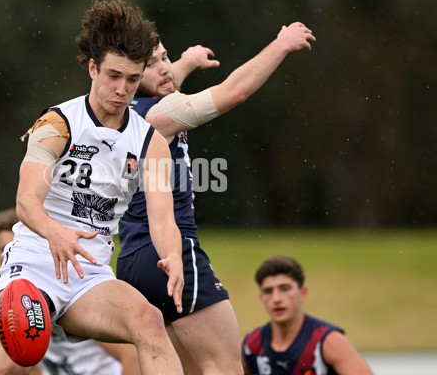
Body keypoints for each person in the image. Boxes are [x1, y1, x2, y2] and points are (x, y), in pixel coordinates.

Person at [0, 0, 184, 375]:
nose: (122, 89)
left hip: (89, 272)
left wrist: (174, 255)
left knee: (149, 323)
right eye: (113, 76)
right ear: (92, 68)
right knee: (12, 366)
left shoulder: (150, 141)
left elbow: (163, 220)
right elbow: (26, 201)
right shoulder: (56, 123)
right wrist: (57, 234)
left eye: (133, 80)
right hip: (35, 261)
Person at [116, 23, 317, 374]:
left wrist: (186, 62)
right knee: (225, 368)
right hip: (171, 253)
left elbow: (158, 81)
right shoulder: (158, 115)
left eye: (164, 56)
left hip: (132, 263)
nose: (164, 68)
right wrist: (281, 44)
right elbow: (234, 91)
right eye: (152, 63)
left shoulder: (117, 112)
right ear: (131, 74)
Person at [0, 208, 139, 375]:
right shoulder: (11, 303)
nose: (8, 254)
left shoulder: (69, 293)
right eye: (2, 248)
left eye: (13, 246)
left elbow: (131, 357)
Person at [241, 255, 374, 375]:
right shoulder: (249, 346)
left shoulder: (329, 342)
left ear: (303, 293)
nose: (276, 299)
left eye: (285, 289)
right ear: (261, 298)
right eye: (268, 291)